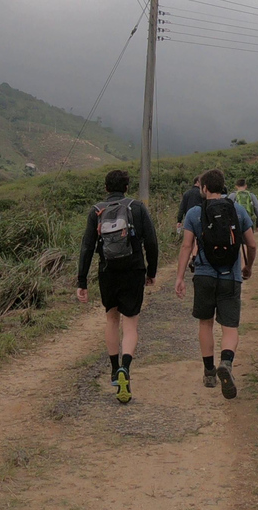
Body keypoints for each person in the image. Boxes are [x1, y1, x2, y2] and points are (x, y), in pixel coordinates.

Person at [174, 169, 257, 399]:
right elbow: (252, 244)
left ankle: (209, 372)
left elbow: (186, 247)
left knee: (205, 324)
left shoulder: (194, 213)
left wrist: (180, 277)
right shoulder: (237, 210)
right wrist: (248, 266)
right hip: (231, 276)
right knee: (230, 327)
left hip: (204, 275)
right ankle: (227, 363)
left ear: (203, 188)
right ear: (222, 188)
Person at [77, 170, 159, 404]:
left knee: (111, 319)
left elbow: (87, 247)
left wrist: (81, 281)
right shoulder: (137, 208)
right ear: (126, 187)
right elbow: (151, 242)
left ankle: (114, 370)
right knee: (130, 324)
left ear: (106, 188)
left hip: (107, 271)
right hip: (134, 270)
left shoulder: (96, 211)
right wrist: (151, 271)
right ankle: (126, 367)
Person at [176, 176, 203, 271]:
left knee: (188, 241)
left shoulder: (187, 193)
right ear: (197, 182)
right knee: (197, 239)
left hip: (189, 219)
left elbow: (182, 207)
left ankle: (189, 258)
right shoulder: (202, 193)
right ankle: (195, 257)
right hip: (200, 218)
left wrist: (179, 220)